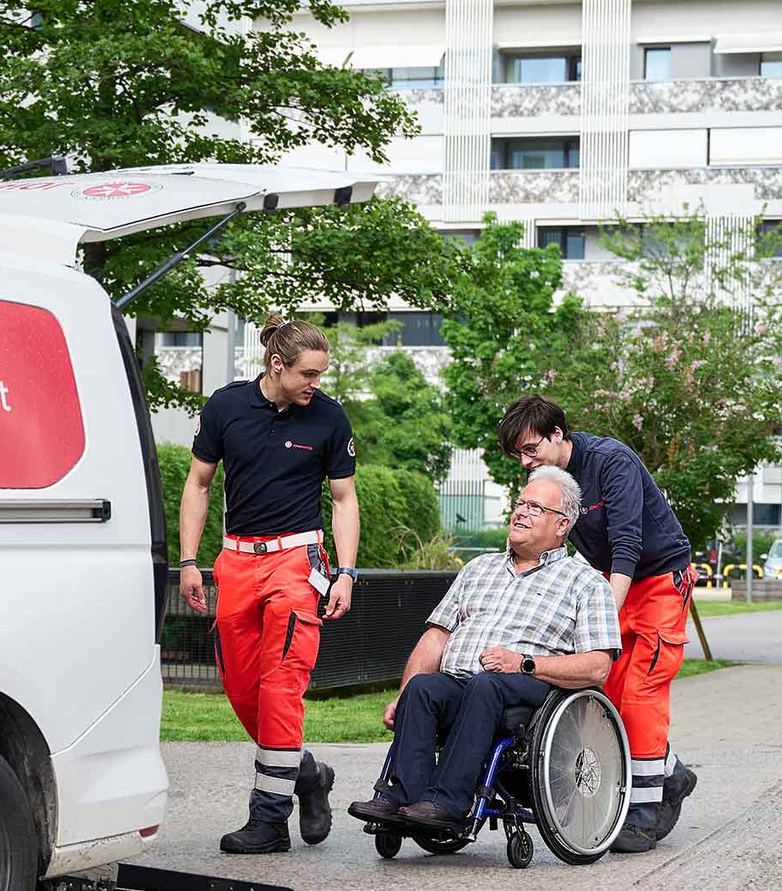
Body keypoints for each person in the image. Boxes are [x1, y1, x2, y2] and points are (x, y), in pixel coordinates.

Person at [179, 314, 360, 854]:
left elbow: (344, 500)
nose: (316, 384)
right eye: (308, 373)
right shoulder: (225, 407)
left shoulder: (330, 418)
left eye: (322, 374)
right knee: (242, 690)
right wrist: (190, 560)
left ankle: (268, 818)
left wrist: (346, 573)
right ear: (276, 365)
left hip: (296, 561)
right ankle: (307, 774)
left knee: (281, 684)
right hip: (235, 561)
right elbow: (198, 482)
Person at [349, 467, 619, 825]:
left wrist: (524, 663)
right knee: (423, 687)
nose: (520, 511)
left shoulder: (584, 583)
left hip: (526, 686)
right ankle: (404, 797)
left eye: (535, 508)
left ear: (562, 525)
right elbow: (437, 636)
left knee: (486, 684)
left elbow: (598, 666)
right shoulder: (479, 568)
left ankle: (449, 803)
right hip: (462, 683)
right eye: (520, 503)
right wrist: (403, 695)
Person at [497, 395, 699, 851]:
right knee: (601, 690)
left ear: (557, 435)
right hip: (610, 581)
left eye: (531, 450)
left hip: (657, 579)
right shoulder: (552, 482)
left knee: (640, 692)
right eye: (518, 456)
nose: (526, 463)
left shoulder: (612, 462)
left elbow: (628, 540)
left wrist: (604, 615)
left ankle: (643, 816)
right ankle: (671, 773)